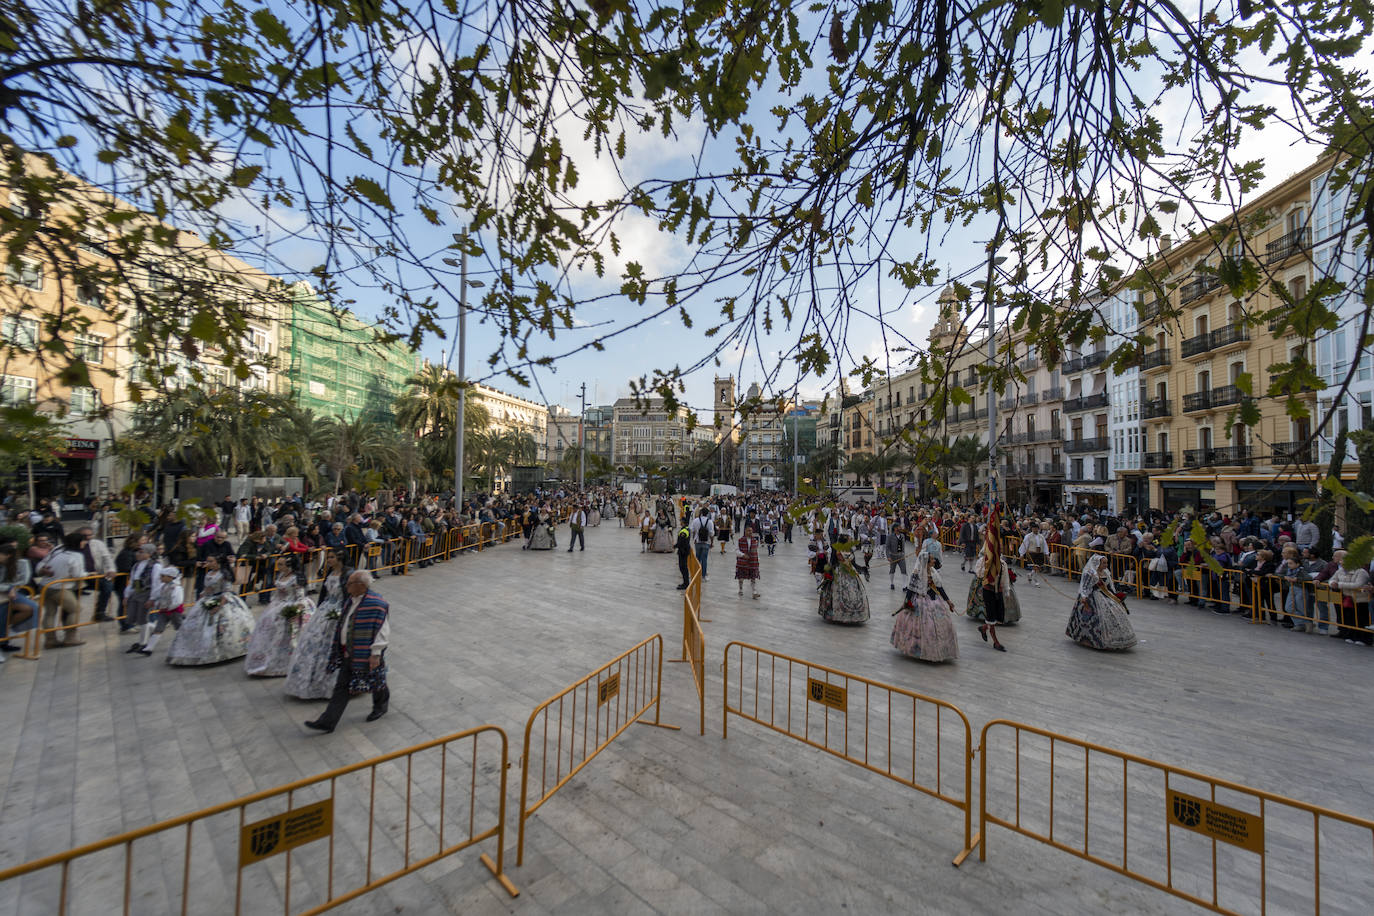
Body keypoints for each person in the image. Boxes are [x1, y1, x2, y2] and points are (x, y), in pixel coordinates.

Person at [304, 570, 391, 733]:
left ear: (361, 585)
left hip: (367, 652)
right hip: (349, 651)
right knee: (342, 686)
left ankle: (381, 705)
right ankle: (328, 721)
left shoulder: (376, 603)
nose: (346, 586)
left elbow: (382, 630)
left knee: (376, 680)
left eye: (350, 583)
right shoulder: (350, 600)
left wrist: (376, 653)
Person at [165, 554, 255, 665]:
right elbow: (206, 588)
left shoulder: (224, 575)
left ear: (218, 562)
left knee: (220, 627)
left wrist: (217, 605)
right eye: (208, 561)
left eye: (211, 561)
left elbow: (226, 591)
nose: (209, 564)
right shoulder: (208, 573)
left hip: (221, 601)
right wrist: (202, 596)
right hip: (207, 600)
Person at [286, 549, 351, 698]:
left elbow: (349, 595)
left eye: (332, 557)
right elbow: (325, 593)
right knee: (313, 640)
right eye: (328, 557)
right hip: (326, 610)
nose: (328, 560)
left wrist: (343, 613)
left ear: (340, 559)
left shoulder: (347, 574)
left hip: (339, 610)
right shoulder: (330, 573)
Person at [245, 556, 314, 676]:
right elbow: (277, 594)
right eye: (279, 564)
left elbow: (300, 598)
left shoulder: (296, 578)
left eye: (281, 564)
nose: (278, 566)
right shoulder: (281, 576)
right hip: (278, 606)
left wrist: (295, 612)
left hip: (293, 606)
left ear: (289, 566)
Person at [891, 545, 959, 662]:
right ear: (926, 562)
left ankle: (939, 649)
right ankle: (920, 649)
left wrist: (948, 602)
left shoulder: (934, 573)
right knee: (926, 627)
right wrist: (906, 603)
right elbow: (911, 590)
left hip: (934, 601)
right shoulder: (917, 574)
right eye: (932, 559)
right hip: (920, 602)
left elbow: (940, 588)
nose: (934, 561)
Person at [1065, 554, 1138, 650]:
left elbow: (1109, 586)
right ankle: (1091, 639)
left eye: (1106, 563)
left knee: (1114, 612)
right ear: (1098, 563)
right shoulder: (1091, 573)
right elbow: (1085, 586)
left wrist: (1115, 596)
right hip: (1092, 596)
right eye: (1104, 563)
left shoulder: (1106, 572)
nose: (1106, 565)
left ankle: (1114, 638)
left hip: (1105, 595)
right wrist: (1084, 597)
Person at [34, 531, 90, 649]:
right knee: (75, 609)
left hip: (45, 586)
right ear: (79, 542)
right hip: (59, 587)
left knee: (50, 613)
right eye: (84, 540)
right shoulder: (76, 556)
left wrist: (42, 570)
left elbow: (42, 563)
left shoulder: (58, 549)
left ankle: (50, 640)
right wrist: (88, 574)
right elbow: (78, 575)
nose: (85, 542)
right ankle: (70, 637)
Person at [971, 507, 1012, 651]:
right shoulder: (984, 562)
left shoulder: (1002, 564)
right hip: (988, 589)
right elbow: (978, 573)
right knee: (991, 616)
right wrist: (986, 570)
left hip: (998, 591)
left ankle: (983, 628)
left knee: (998, 616)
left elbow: (1005, 579)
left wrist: (1006, 592)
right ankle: (996, 642)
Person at [129, 564, 185, 657]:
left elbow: (178, 601)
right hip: (164, 611)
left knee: (179, 628)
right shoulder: (163, 586)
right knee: (158, 628)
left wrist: (169, 607)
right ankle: (149, 648)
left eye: (162, 576)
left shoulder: (177, 588)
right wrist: (157, 603)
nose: (160, 578)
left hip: (174, 612)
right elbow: (159, 596)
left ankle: (183, 644)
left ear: (170, 577)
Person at [816, 541, 870, 624]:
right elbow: (833, 562)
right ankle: (838, 614)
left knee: (853, 592)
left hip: (850, 572)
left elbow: (853, 563)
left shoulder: (850, 550)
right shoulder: (837, 550)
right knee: (838, 593)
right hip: (839, 572)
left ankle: (853, 614)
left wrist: (862, 568)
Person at [0, 542, 39, 653]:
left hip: (13, 593)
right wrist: (8, 588)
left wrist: (11, 587)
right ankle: (3, 640)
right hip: (5, 594)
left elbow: (24, 580)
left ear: (8, 555)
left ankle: (8, 632)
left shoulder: (22, 563)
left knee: (32, 608)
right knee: (3, 612)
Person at [735, 524, 761, 599]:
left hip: (753, 562)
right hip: (742, 562)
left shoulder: (754, 540)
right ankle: (740, 589)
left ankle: (754, 592)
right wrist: (743, 555)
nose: (750, 532)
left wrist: (757, 559)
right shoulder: (740, 540)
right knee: (741, 577)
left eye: (751, 531)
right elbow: (736, 551)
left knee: (753, 578)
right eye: (748, 531)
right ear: (745, 531)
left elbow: (756, 551)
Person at [886, 524, 908, 591]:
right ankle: (892, 583)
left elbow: (903, 545)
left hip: (901, 556)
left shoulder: (902, 536)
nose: (900, 528)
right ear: (895, 528)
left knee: (904, 570)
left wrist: (903, 553)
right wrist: (888, 556)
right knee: (892, 570)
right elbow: (887, 547)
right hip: (893, 556)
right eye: (899, 527)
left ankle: (904, 586)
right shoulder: (890, 536)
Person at [674, 520, 692, 590]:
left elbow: (681, 542)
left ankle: (686, 583)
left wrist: (674, 546)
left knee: (683, 567)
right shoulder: (687, 529)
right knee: (683, 567)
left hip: (683, 551)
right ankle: (685, 582)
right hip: (684, 550)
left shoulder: (684, 531)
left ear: (684, 523)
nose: (680, 522)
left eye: (681, 521)